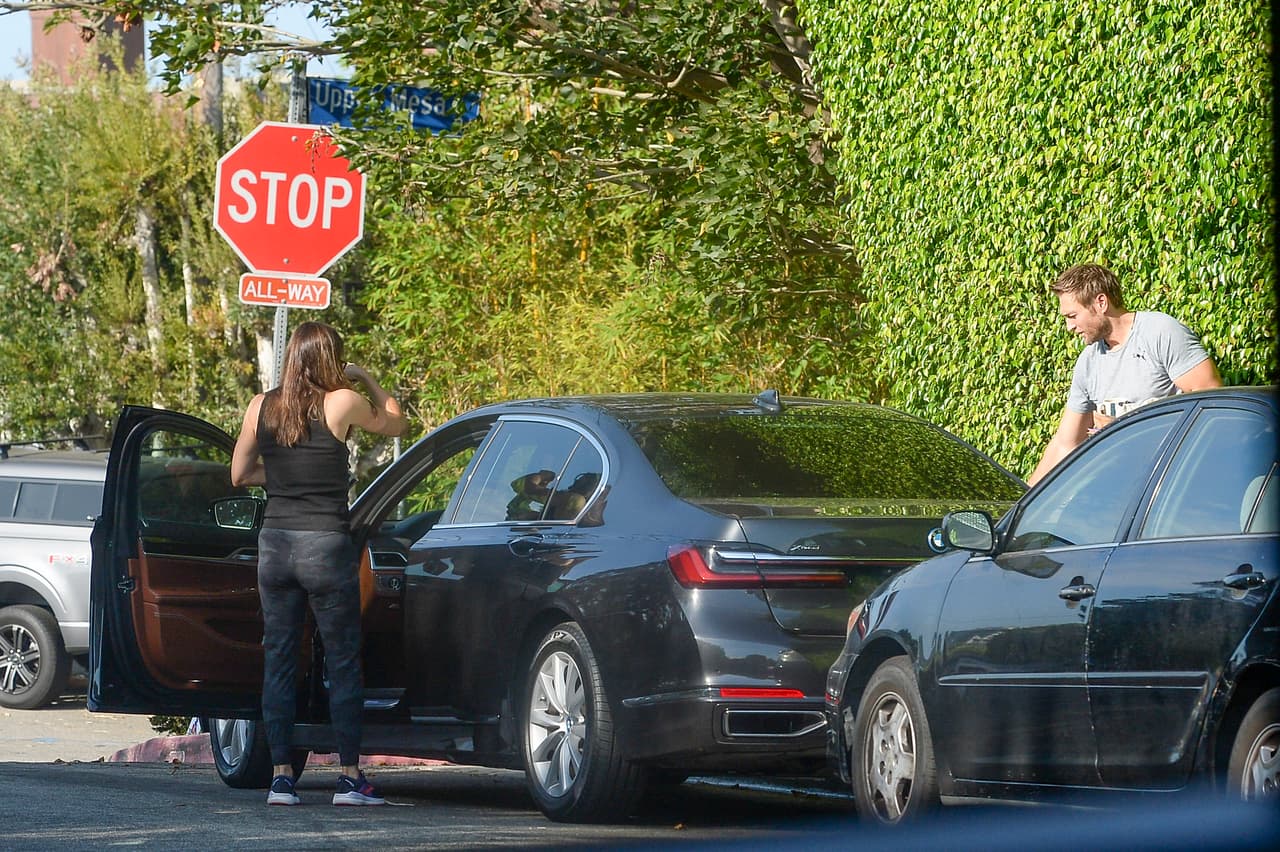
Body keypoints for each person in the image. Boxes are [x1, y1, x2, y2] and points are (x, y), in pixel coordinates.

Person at [230, 321, 407, 806]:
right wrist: (366, 377)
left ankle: (282, 777)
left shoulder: (260, 405)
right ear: (331, 358)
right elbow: (397, 422)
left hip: (276, 547)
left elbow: (239, 473)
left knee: (280, 660)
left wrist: (283, 472)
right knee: (344, 660)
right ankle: (350, 778)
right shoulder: (342, 400)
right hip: (325, 546)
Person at [1027, 263, 1221, 486]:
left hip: (1174, 487)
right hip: (1123, 490)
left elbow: (1211, 404)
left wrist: (1126, 431)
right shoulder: (1088, 362)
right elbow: (1066, 443)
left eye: (1073, 315)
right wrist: (1021, 504)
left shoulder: (1160, 333)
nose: (1069, 327)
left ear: (1101, 302)